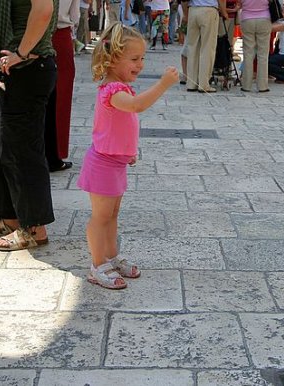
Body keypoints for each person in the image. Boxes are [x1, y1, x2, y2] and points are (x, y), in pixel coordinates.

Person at [77, 22, 178, 289]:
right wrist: (164, 83)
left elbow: (120, 126)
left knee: (112, 214)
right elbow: (137, 106)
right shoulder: (114, 91)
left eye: (142, 58)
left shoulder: (121, 87)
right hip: (102, 165)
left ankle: (111, 256)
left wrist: (127, 152)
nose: (140, 64)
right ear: (112, 59)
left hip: (115, 162)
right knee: (101, 216)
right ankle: (97, 265)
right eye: (134, 59)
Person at [0, 0, 58, 251]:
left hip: (28, 66)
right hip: (17, 67)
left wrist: (20, 53)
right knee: (7, 148)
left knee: (23, 153)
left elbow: (43, 10)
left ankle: (34, 228)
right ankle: (11, 220)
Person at [45, 0, 80, 173]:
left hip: (35, 35)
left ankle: (41, 152)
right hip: (61, 34)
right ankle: (56, 152)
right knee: (62, 97)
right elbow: (75, 16)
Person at [184, 0, 227, 92]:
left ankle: (191, 83)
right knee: (207, 48)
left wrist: (185, 14)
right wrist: (224, 12)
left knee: (192, 48)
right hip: (209, 10)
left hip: (193, 10)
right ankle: (204, 84)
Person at [240, 0, 272, 92]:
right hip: (264, 18)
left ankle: (246, 85)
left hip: (247, 19)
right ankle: (262, 86)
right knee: (263, 55)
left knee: (248, 54)